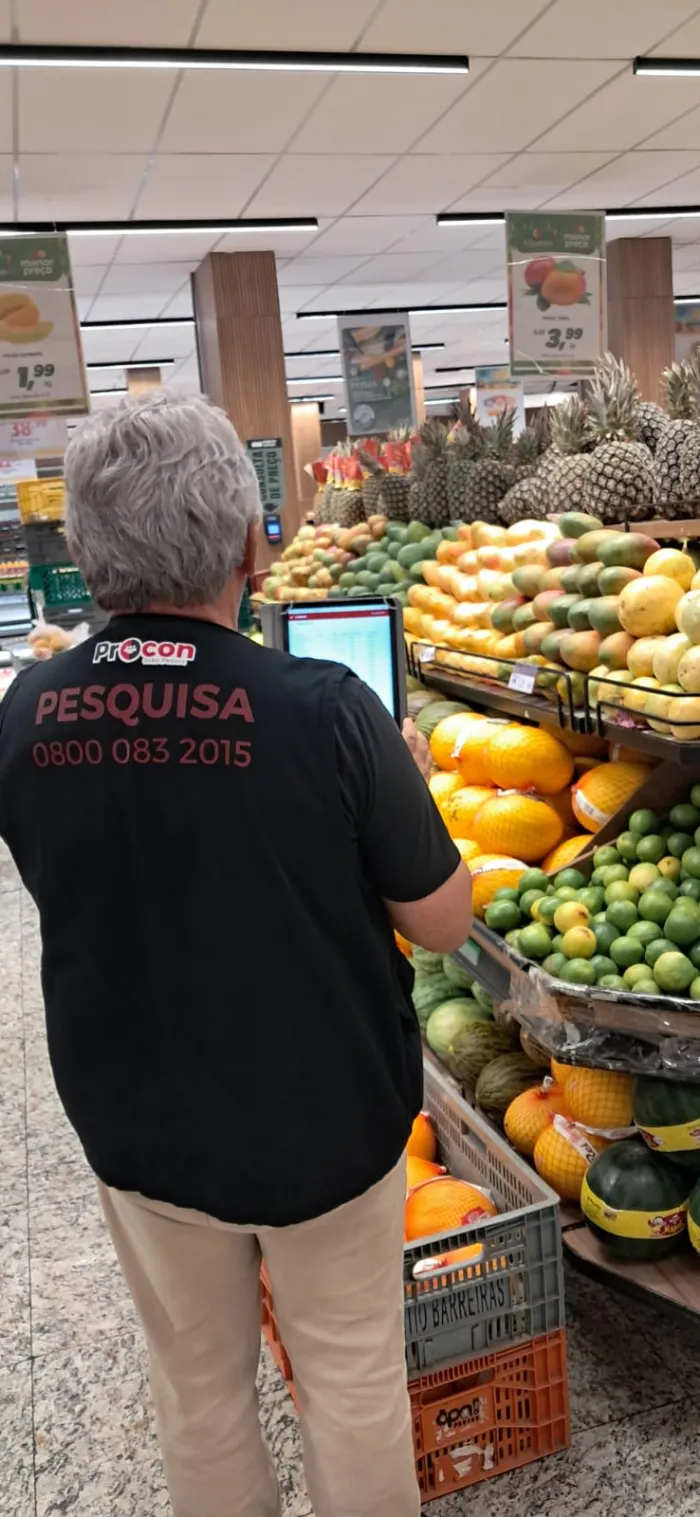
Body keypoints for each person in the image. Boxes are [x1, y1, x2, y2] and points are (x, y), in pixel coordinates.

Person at [0, 393, 472, 1517]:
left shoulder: (26, 711)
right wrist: (395, 784)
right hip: (325, 1119)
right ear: (253, 542)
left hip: (138, 1116)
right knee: (351, 1381)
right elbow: (444, 920)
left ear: (86, 551)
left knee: (200, 1390)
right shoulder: (326, 710)